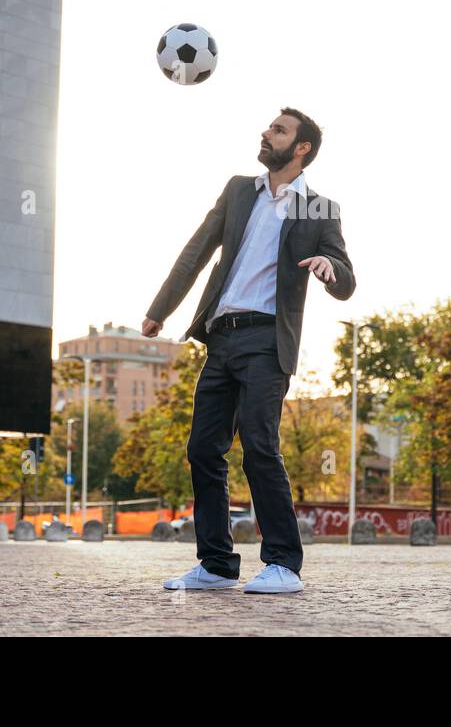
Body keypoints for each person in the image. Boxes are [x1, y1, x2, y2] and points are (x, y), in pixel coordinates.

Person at [143, 108, 355, 594]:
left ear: (301, 148)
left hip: (267, 340)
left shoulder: (319, 208)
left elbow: (346, 279)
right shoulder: (239, 189)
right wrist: (161, 309)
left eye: (279, 130)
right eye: (270, 127)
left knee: (259, 446)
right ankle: (216, 564)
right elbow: (195, 252)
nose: (266, 132)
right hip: (222, 336)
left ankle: (283, 564)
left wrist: (328, 265)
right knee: (203, 449)